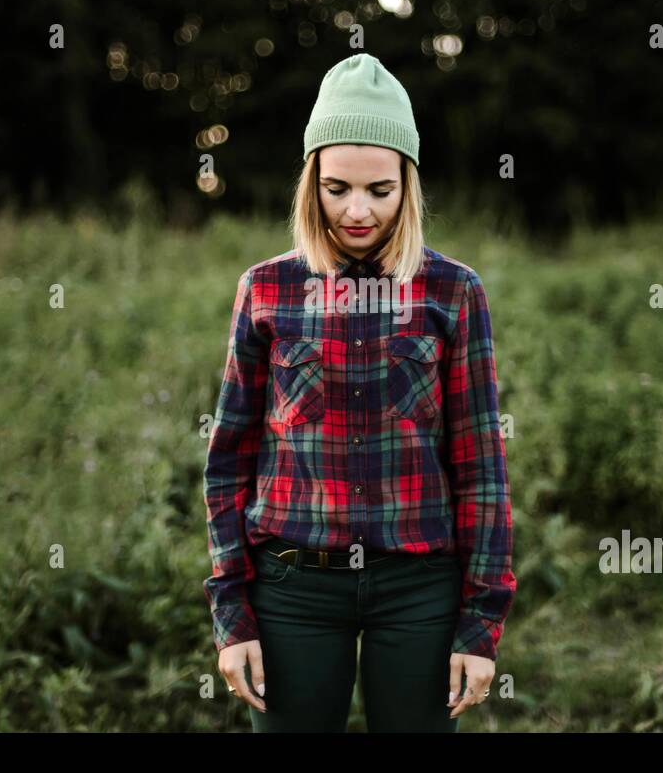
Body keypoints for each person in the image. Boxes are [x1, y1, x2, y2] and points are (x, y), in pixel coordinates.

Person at [202, 52, 515, 732]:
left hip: (419, 586)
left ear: (408, 184)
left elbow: (482, 466)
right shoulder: (267, 289)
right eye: (337, 187)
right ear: (311, 180)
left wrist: (481, 620)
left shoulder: (453, 291)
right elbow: (227, 456)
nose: (356, 210)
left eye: (379, 189)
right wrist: (232, 614)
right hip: (291, 586)